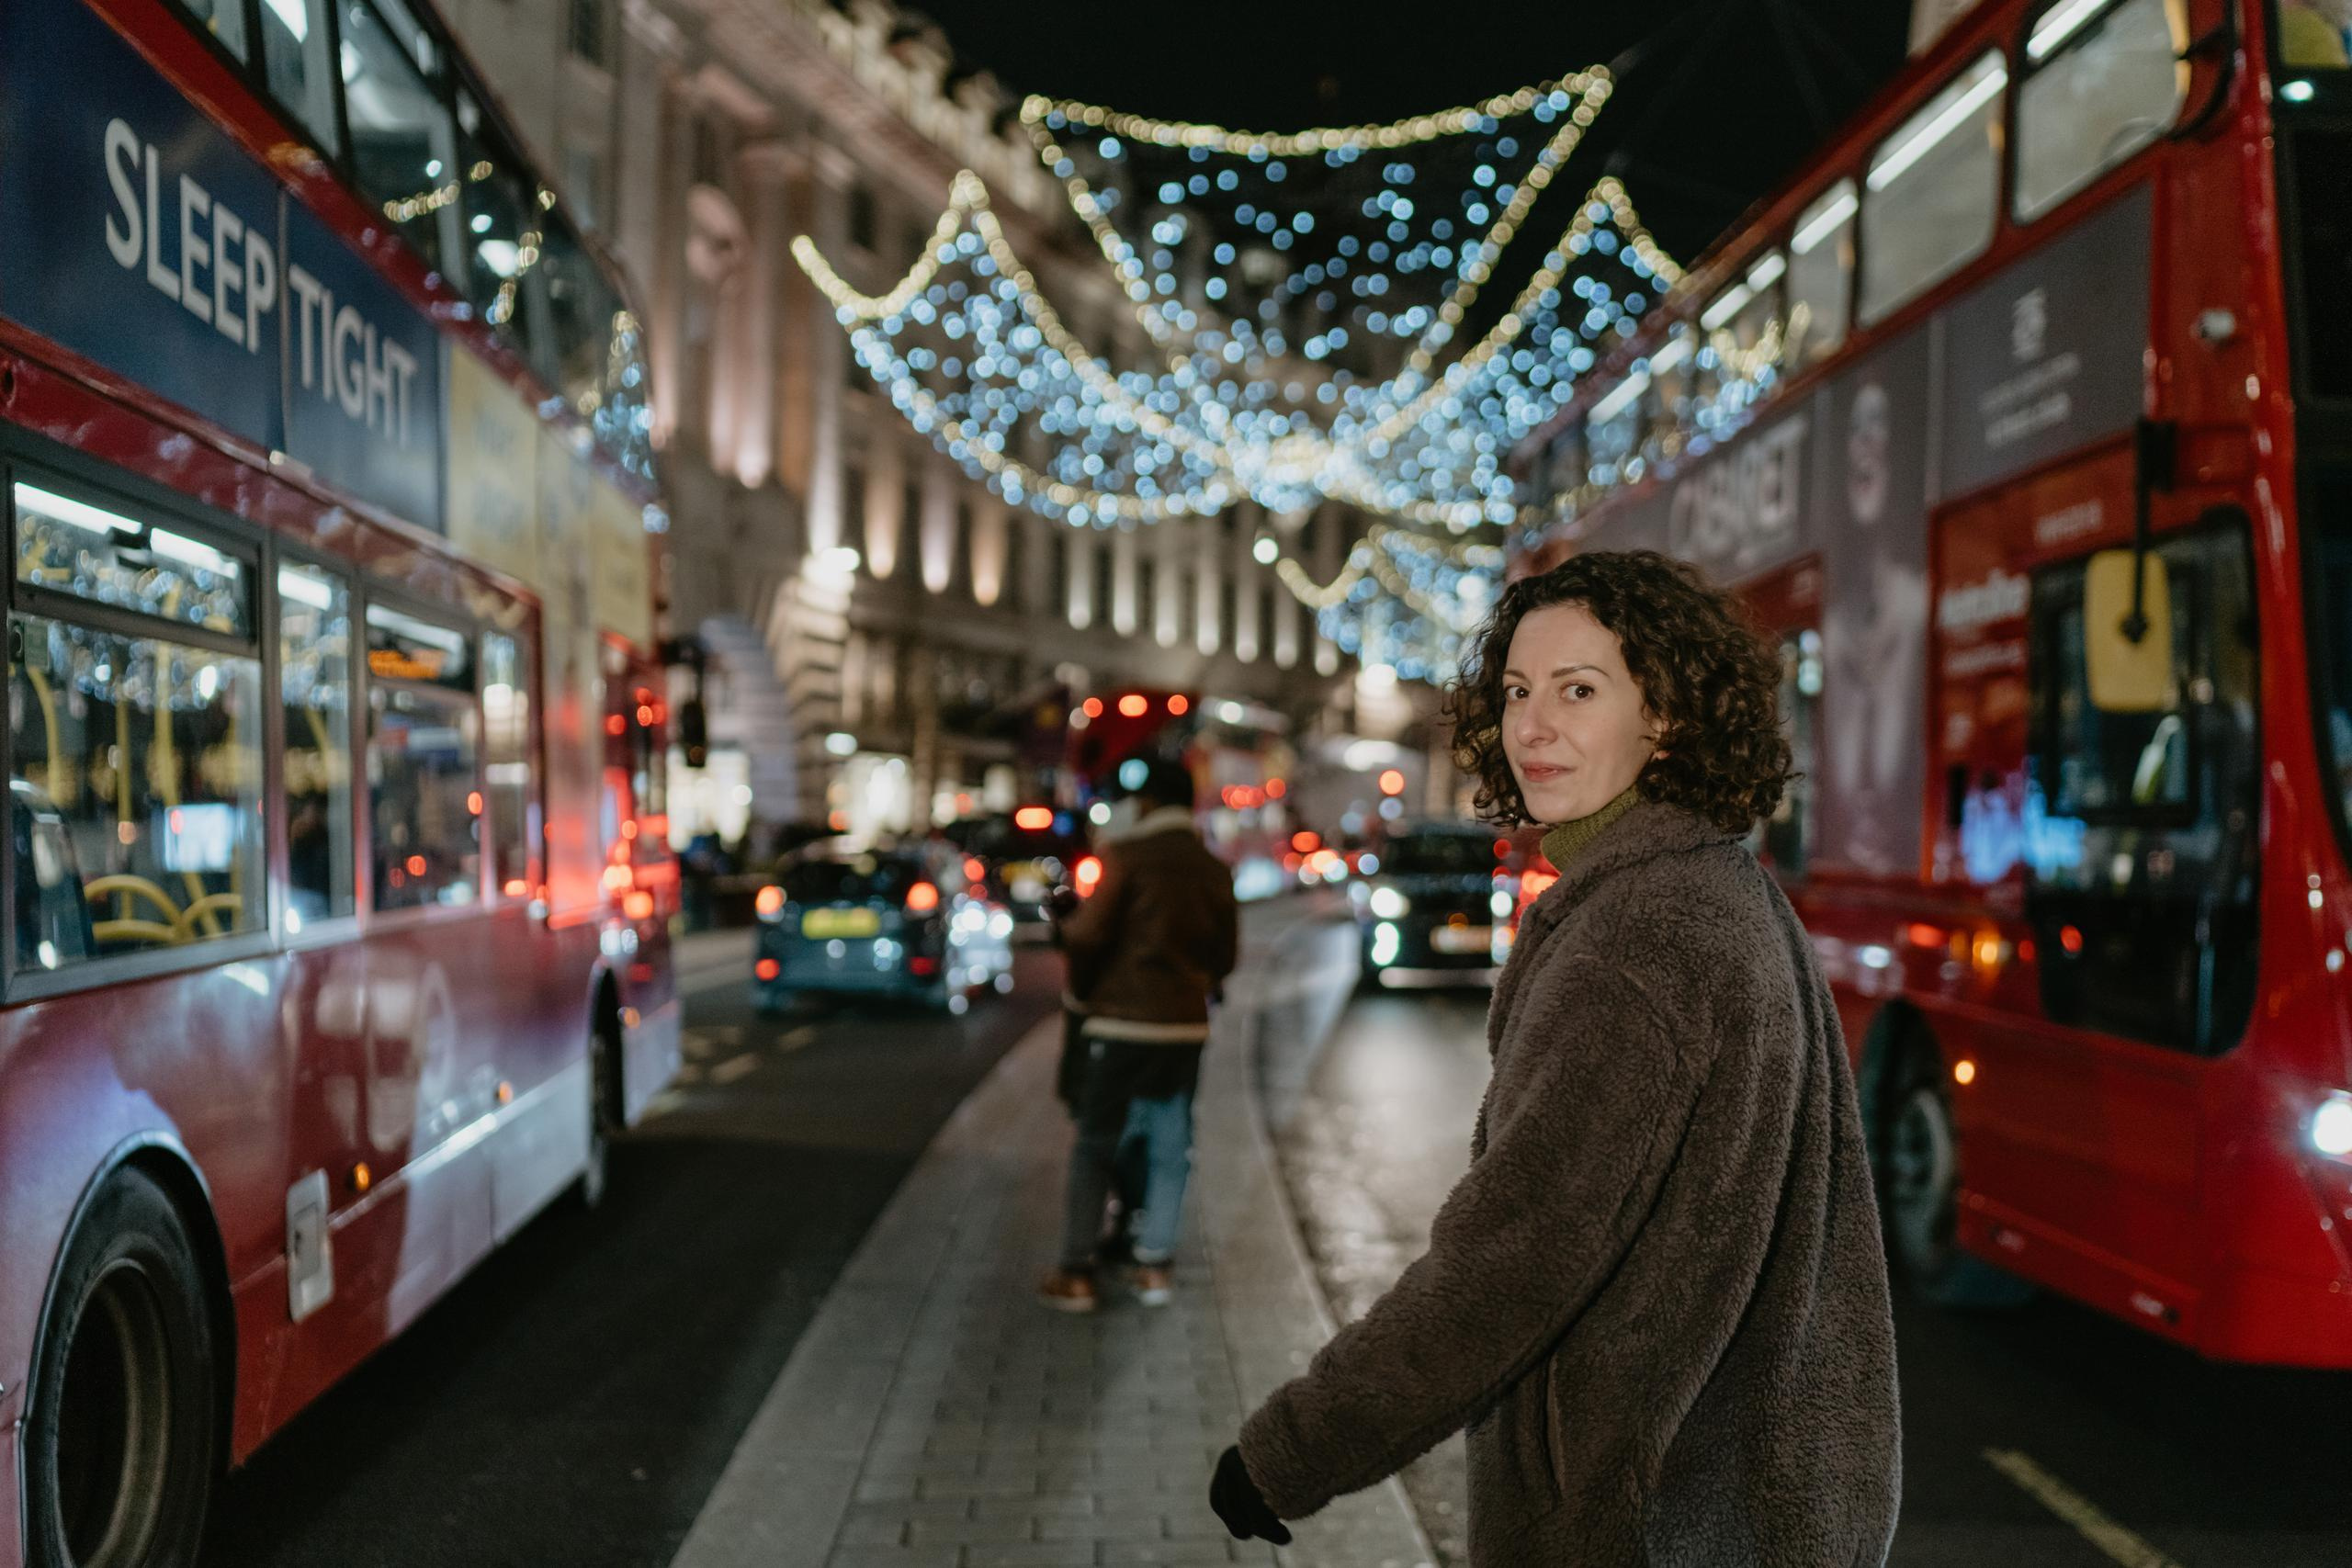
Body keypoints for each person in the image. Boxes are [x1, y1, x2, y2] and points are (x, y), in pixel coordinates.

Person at [1209, 551, 1901, 1565]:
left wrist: (1291, 1452)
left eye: (1578, 691)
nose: (1530, 727)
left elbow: (1510, 1262)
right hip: (1750, 1504)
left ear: (1663, 715)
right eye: (1518, 692)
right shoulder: (1720, 885)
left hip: (1648, 1519)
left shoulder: (1639, 937)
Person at [1039, 757, 1238, 1313]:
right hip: (1184, 1029)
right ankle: (1154, 1265)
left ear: (1147, 804)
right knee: (1172, 1147)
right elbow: (1226, 957)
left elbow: (1089, 935)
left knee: (1096, 1143)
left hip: (1119, 1024)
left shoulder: (1124, 857)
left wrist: (1064, 920)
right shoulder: (1212, 868)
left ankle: (1076, 1271)